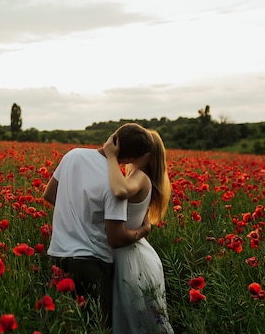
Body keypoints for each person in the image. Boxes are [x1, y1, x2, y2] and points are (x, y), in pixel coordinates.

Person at [43, 123, 153, 328]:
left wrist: (76, 211)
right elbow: (116, 239)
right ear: (131, 159)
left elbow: (49, 194)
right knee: (96, 327)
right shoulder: (114, 185)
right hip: (92, 265)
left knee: (63, 327)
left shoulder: (72, 156)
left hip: (57, 256)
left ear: (113, 139)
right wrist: (143, 231)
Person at [104, 128, 174, 334]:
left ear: (145, 154)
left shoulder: (140, 177)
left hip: (129, 260)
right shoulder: (138, 176)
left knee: (134, 323)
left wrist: (110, 157)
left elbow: (120, 191)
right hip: (134, 253)